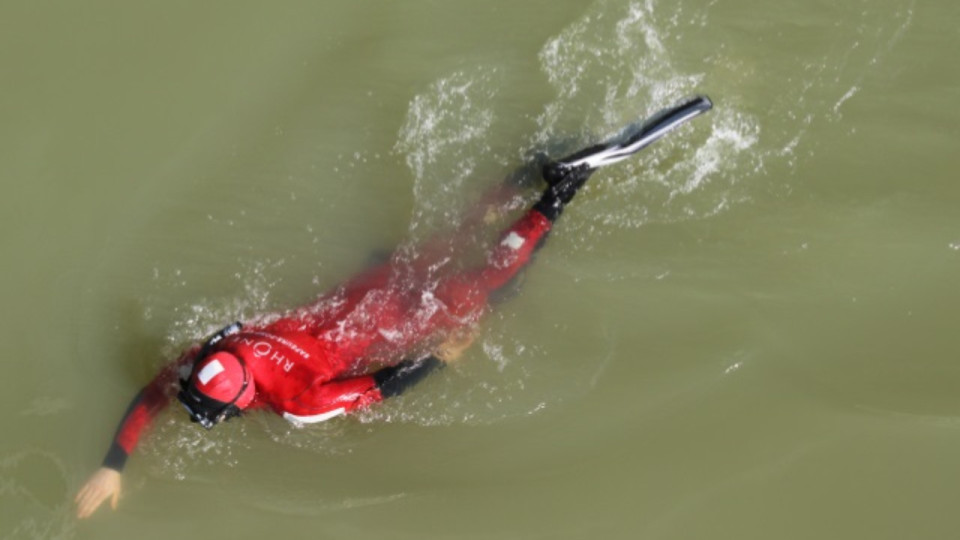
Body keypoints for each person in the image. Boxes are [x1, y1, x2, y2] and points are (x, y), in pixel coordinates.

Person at [74, 95, 712, 519]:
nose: (197, 406)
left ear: (240, 398)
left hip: (399, 321)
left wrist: (439, 355)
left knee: (492, 282)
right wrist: (112, 466)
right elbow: (156, 392)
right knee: (448, 241)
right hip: (365, 293)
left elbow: (386, 383)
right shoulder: (222, 352)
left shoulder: (301, 403)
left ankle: (562, 189)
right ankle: (528, 172)